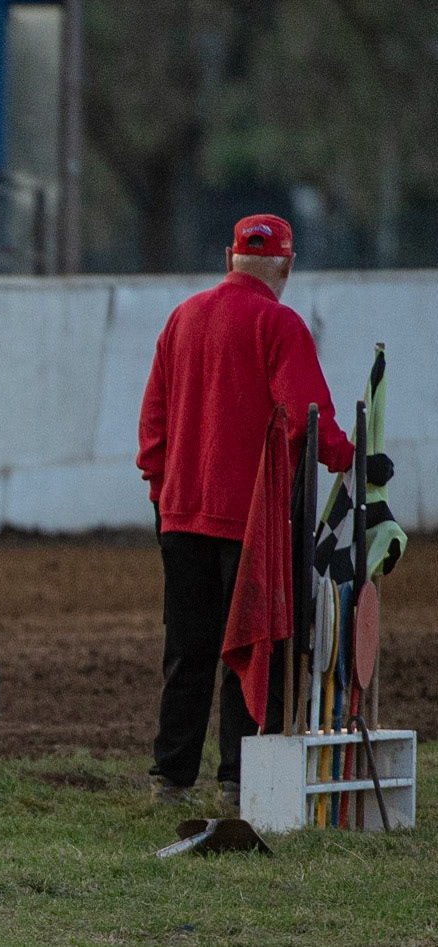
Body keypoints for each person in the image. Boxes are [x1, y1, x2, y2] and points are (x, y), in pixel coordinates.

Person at [136, 213, 393, 808]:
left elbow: (153, 426)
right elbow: (310, 415)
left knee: (187, 650)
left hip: (179, 515)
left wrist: (163, 494)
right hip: (250, 525)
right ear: (287, 265)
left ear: (231, 259)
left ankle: (170, 781)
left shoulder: (181, 319)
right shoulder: (279, 325)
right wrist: (352, 458)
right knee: (255, 646)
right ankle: (238, 782)